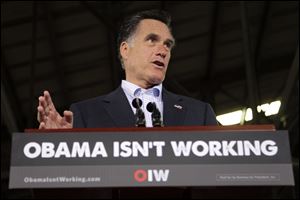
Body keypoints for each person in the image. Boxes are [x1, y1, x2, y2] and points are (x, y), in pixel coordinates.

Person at [37, 9, 217, 129]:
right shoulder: (86, 114)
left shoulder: (200, 113)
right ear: (125, 50)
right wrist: (57, 147)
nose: (163, 51)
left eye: (167, 45)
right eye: (152, 40)